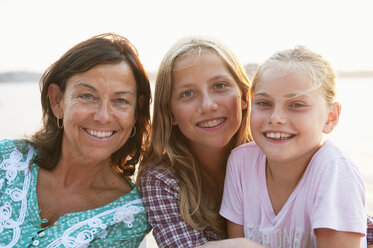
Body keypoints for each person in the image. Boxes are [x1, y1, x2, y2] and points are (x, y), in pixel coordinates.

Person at [0, 33, 151, 247]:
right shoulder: (7, 160)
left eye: (120, 100)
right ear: (57, 101)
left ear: (136, 112)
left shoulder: (127, 216)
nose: (103, 116)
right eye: (87, 96)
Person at [217, 45, 367, 247]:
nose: (276, 117)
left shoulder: (335, 171)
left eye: (296, 105)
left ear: (330, 117)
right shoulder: (241, 162)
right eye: (263, 103)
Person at [137, 36, 252, 247]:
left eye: (219, 85)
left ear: (244, 96)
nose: (208, 105)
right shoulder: (162, 180)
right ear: (170, 113)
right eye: (187, 93)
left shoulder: (272, 157)